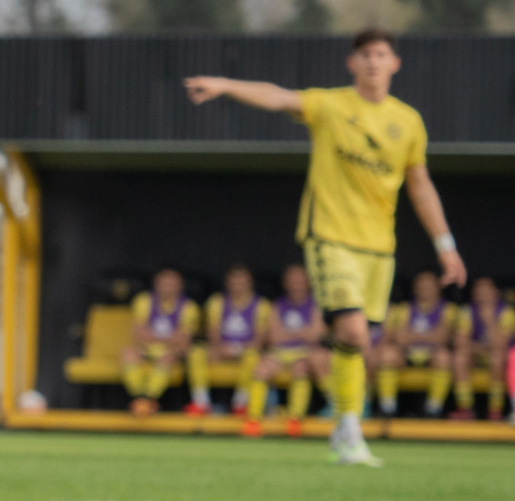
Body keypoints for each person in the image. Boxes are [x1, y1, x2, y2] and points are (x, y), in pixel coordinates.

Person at [185, 28, 467, 466]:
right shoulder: (332, 105)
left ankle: (345, 427)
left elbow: (420, 184)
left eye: (381, 54)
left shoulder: (408, 121)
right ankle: (350, 427)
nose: (373, 61)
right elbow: (278, 97)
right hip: (330, 237)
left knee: (359, 341)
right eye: (365, 54)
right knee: (352, 330)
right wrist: (225, 86)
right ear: (351, 63)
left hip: (379, 248)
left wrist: (446, 245)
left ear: (395, 63)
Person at [248, 265, 324, 438]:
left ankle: (294, 419)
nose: (296, 285)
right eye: (292, 281)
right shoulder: (277, 305)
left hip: (305, 354)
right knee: (261, 369)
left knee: (300, 368)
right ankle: (253, 420)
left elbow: (315, 335)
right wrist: (302, 332)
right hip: (279, 353)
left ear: (308, 283)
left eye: (299, 281)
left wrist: (288, 333)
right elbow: (274, 338)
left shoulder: (315, 305)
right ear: (285, 283)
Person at [189, 264, 272, 417]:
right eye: (234, 281)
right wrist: (221, 349)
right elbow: (213, 334)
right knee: (196, 353)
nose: (238, 285)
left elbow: (260, 339)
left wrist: (236, 350)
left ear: (250, 282)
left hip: (246, 351)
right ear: (227, 282)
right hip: (220, 350)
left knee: (253, 355)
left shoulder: (261, 305)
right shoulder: (216, 302)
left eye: (242, 281)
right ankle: (201, 402)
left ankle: (241, 403)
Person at [120, 267, 200, 417]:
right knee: (128, 353)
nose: (167, 288)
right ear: (156, 284)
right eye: (164, 283)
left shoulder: (189, 307)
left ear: (180, 285)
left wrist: (155, 336)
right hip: (147, 349)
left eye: (172, 284)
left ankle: (149, 399)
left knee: (167, 358)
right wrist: (169, 337)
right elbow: (139, 335)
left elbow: (183, 341)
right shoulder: (143, 301)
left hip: (172, 352)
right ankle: (140, 399)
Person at [379, 270, 455, 418]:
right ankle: (387, 408)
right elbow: (400, 338)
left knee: (444, 357)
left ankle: (433, 409)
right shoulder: (403, 309)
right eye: (421, 286)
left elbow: (442, 338)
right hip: (407, 354)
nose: (424, 290)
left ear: (437, 288)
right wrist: (429, 335)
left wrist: (413, 335)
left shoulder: (448, 309)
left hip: (432, 355)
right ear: (415, 289)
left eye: (429, 286)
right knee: (387, 355)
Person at [451, 276, 512, 422]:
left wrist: (489, 320)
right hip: (477, 354)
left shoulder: (506, 312)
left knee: (497, 358)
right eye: (478, 293)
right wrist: (482, 348)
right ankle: (465, 408)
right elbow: (460, 342)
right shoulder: (467, 311)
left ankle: (495, 410)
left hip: (499, 357)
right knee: (459, 357)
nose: (482, 297)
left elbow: (500, 344)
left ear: (495, 293)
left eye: (486, 292)